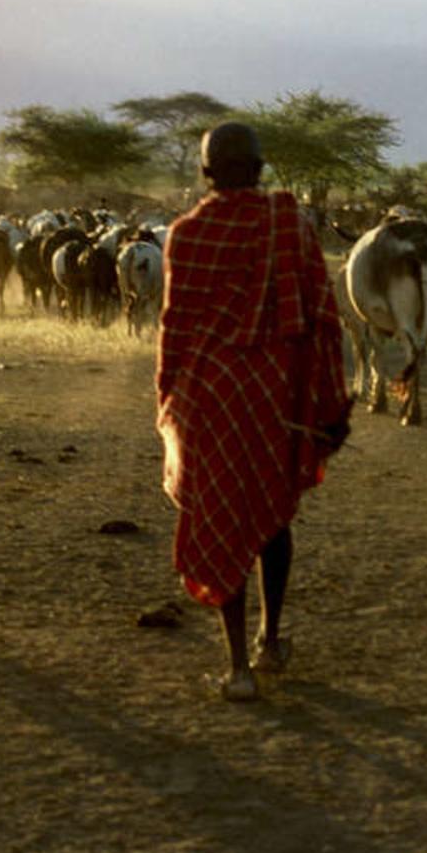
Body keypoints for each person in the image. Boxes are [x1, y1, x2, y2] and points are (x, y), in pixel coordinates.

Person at [155, 122, 351, 701]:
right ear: (262, 169)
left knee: (221, 516)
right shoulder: (289, 223)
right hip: (272, 393)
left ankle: (238, 667)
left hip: (208, 398)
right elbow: (323, 314)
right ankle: (271, 640)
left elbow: (174, 325)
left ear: (205, 172)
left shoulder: (187, 233)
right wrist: (328, 404)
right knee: (270, 514)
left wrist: (169, 399)